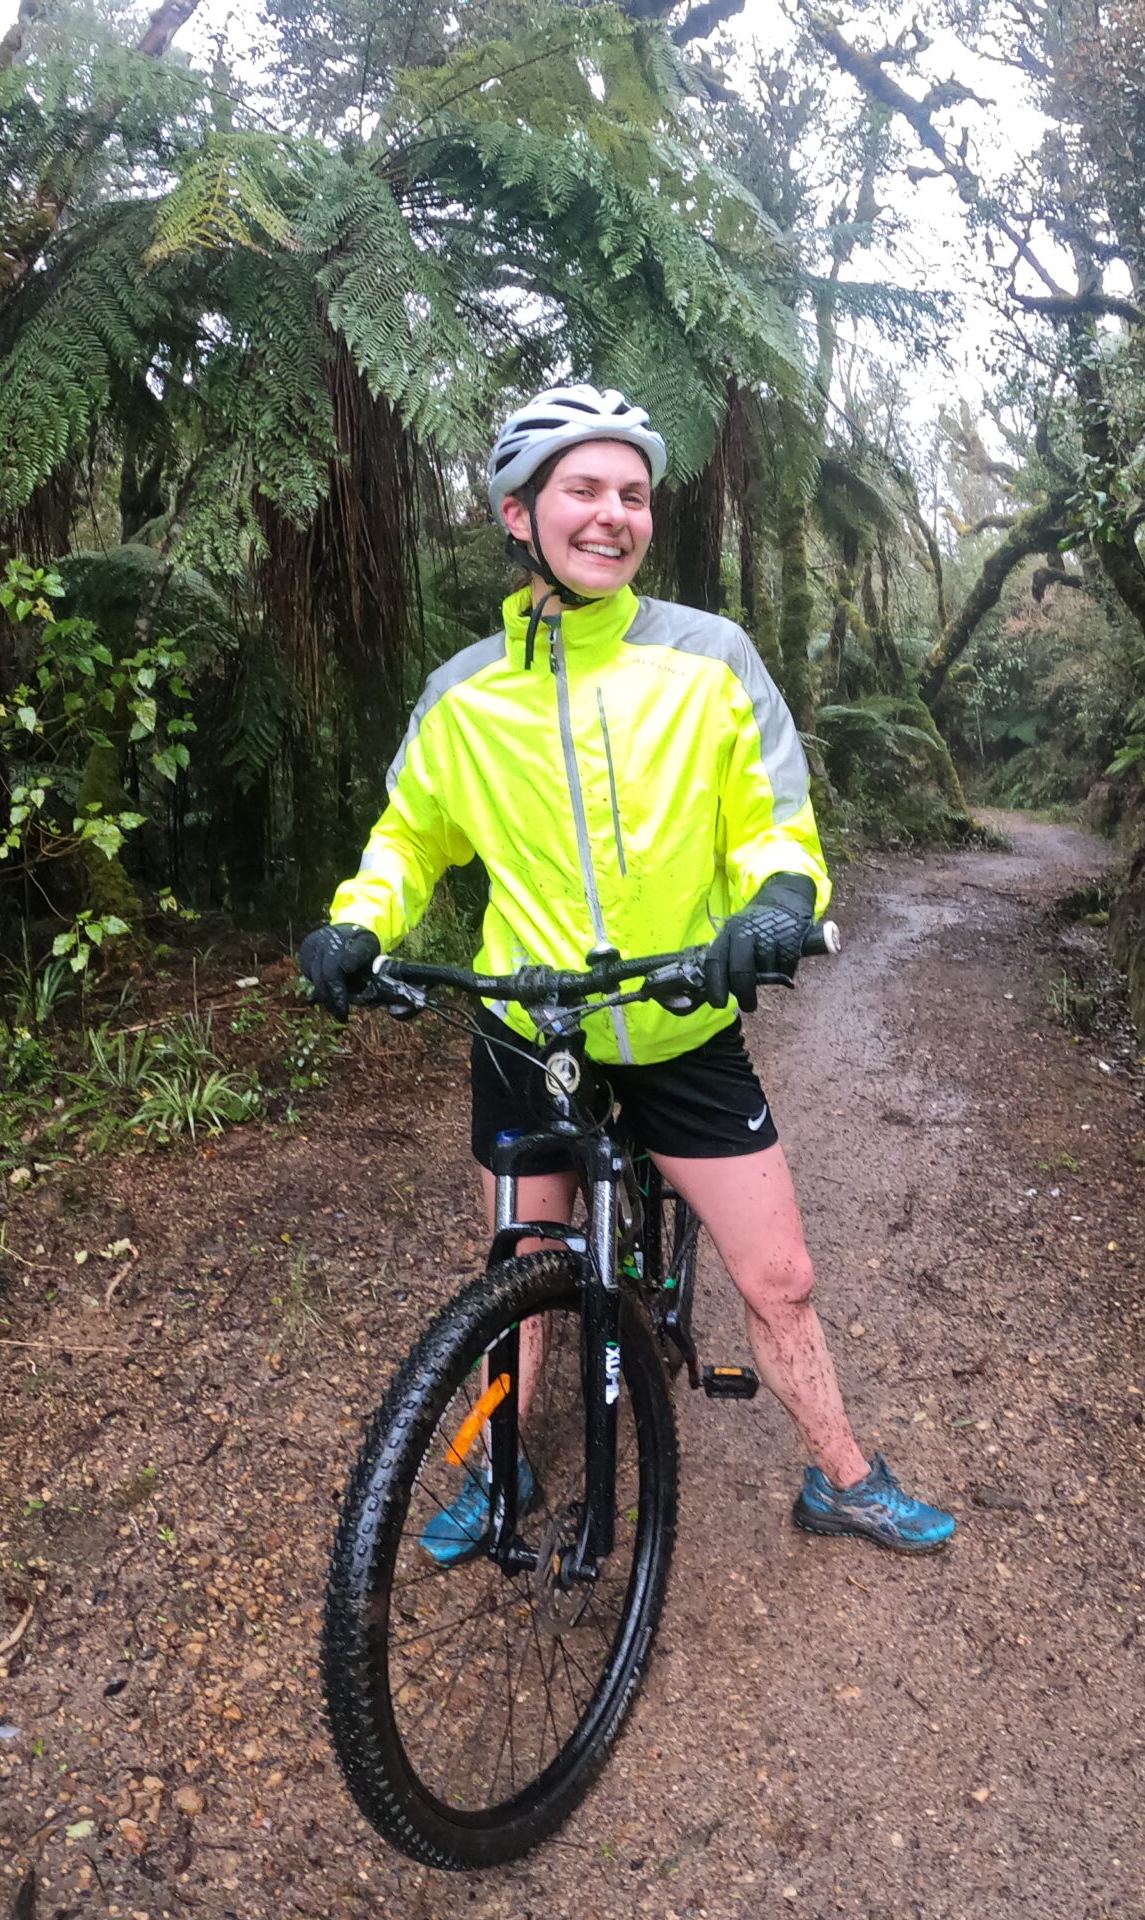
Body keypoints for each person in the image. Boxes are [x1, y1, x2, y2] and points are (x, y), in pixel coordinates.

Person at [296, 384, 954, 1557]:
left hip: (675, 1011)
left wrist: (780, 899)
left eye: (633, 495)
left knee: (782, 1272)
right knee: (522, 1265)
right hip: (527, 1026)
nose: (613, 516)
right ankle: (502, 1476)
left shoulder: (709, 660)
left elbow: (768, 818)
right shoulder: (461, 695)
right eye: (583, 490)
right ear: (518, 514)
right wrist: (358, 926)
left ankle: (842, 1476)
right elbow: (408, 839)